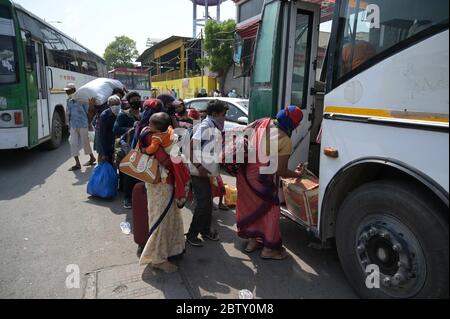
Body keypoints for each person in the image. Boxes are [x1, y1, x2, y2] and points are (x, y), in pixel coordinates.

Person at [236, 105, 305, 260]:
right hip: (260, 180)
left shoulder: (263, 121)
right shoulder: (284, 140)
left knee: (250, 208)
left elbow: (242, 134)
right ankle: (269, 249)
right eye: (298, 122)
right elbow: (280, 170)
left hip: (243, 174)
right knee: (272, 210)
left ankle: (252, 242)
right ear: (292, 123)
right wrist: (297, 174)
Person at [138, 116, 186, 273]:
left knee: (171, 215)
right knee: (162, 219)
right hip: (160, 183)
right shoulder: (154, 137)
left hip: (164, 182)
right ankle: (158, 259)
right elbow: (174, 159)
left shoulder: (160, 134)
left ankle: (171, 248)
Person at [186, 100, 229, 247]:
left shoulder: (213, 125)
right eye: (224, 114)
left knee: (208, 202)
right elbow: (190, 148)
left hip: (207, 170)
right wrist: (199, 166)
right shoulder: (205, 126)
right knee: (203, 203)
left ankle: (205, 230)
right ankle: (192, 235)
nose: (225, 117)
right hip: (199, 171)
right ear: (215, 114)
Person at [140, 113, 191, 208]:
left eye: (150, 124)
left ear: (158, 129)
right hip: (177, 153)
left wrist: (145, 150)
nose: (148, 126)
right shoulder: (169, 129)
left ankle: (181, 194)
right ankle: (184, 188)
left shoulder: (156, 137)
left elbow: (153, 148)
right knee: (181, 173)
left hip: (169, 159)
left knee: (179, 176)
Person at [114, 91, 142, 209]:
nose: (136, 102)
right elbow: (116, 129)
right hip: (127, 149)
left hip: (141, 148)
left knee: (139, 173)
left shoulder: (143, 114)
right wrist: (132, 128)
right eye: (133, 100)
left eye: (138, 99)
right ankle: (127, 198)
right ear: (129, 102)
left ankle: (138, 196)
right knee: (128, 173)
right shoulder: (124, 115)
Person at [65, 83, 96, 171]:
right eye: (66, 91)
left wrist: (89, 123)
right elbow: (69, 114)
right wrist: (68, 125)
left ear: (74, 90)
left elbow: (89, 112)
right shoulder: (69, 101)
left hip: (83, 124)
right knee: (73, 143)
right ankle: (77, 163)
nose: (67, 93)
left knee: (85, 143)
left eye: (68, 91)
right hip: (73, 125)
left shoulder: (82, 100)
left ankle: (92, 158)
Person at [98, 95, 122, 163]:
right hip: (110, 146)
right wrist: (105, 153)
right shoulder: (104, 116)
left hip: (121, 145)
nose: (115, 106)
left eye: (117, 104)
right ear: (109, 105)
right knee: (110, 165)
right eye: (113, 104)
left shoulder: (123, 113)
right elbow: (102, 135)